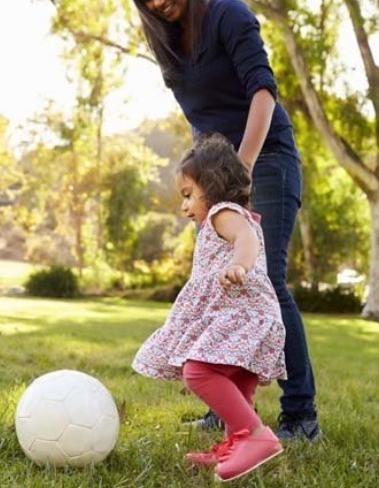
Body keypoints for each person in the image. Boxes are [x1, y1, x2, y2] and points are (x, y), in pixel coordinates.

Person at [132, 0, 320, 441]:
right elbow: (203, 120)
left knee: (265, 278)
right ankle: (228, 409)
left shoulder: (228, 14)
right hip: (215, 177)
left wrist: (240, 171)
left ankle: (300, 417)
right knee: (218, 286)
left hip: (266, 159)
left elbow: (262, 93)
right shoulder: (166, 40)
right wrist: (202, 180)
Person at [132, 133, 285, 482]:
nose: (185, 207)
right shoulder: (225, 216)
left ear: (212, 185)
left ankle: (258, 437)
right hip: (252, 315)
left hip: (242, 314)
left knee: (197, 371)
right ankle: (237, 443)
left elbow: (245, 241)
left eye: (188, 195)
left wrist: (240, 266)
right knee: (240, 382)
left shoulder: (223, 212)